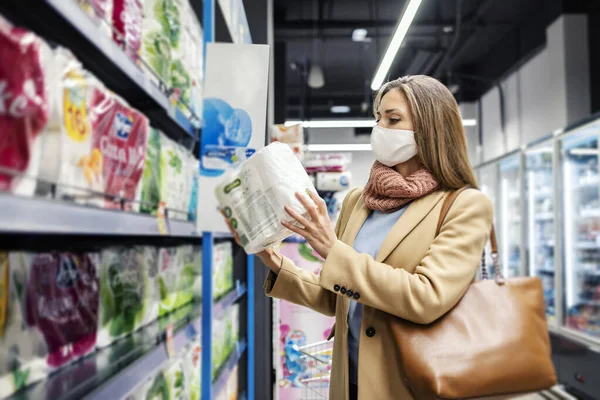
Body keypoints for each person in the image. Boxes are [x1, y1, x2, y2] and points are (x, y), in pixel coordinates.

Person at [224, 75, 493, 400]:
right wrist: (273, 259)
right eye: (378, 118)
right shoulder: (358, 201)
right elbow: (335, 296)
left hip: (410, 385)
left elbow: (427, 298)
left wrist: (333, 250)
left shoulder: (463, 205)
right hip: (349, 381)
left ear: (430, 128)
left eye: (393, 119)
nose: (380, 128)